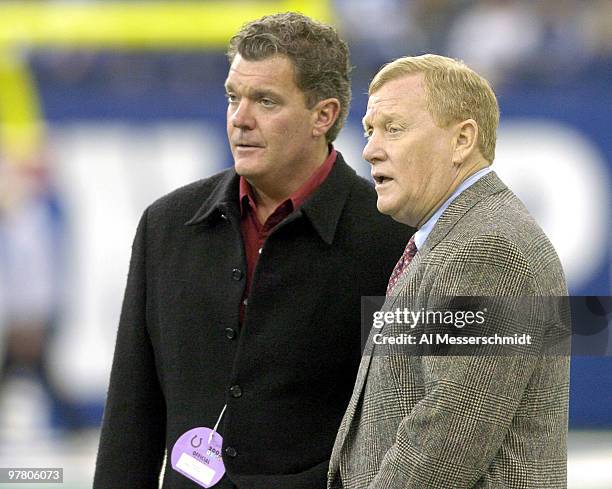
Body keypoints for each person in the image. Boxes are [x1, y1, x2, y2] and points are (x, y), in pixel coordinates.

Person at [94, 12, 412, 489]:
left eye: (265, 101)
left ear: (322, 116)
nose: (240, 119)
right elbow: (131, 414)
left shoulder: (390, 237)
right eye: (232, 97)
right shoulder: (167, 226)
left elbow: (415, 417)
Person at [328, 54, 570, 489]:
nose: (369, 149)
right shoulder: (458, 239)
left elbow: (445, 439)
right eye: (369, 131)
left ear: (462, 140)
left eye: (394, 129)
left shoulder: (488, 249)